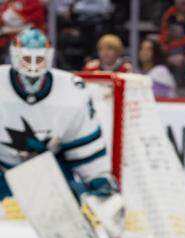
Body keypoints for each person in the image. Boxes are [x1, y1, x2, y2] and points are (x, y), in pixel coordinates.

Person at [0, 28, 118, 224]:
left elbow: (87, 154)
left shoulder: (72, 91)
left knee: (84, 200)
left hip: (51, 175)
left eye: (38, 59)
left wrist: (100, 185)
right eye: (26, 59)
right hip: (3, 172)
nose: (32, 66)